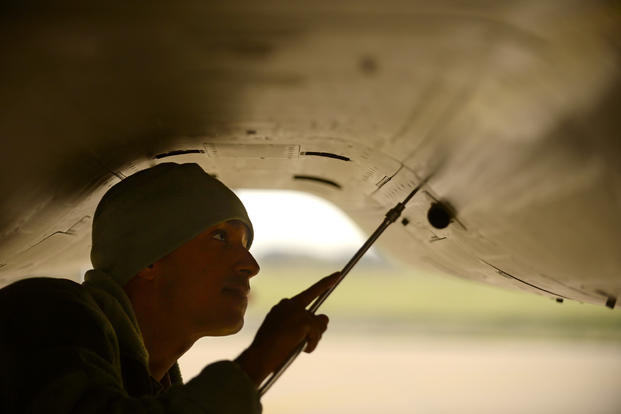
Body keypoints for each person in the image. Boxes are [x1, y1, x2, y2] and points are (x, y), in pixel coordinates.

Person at [0, 162, 337, 413]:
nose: (251, 265)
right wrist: (255, 364)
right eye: (220, 237)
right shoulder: (46, 313)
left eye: (245, 243)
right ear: (148, 258)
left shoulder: (150, 386)